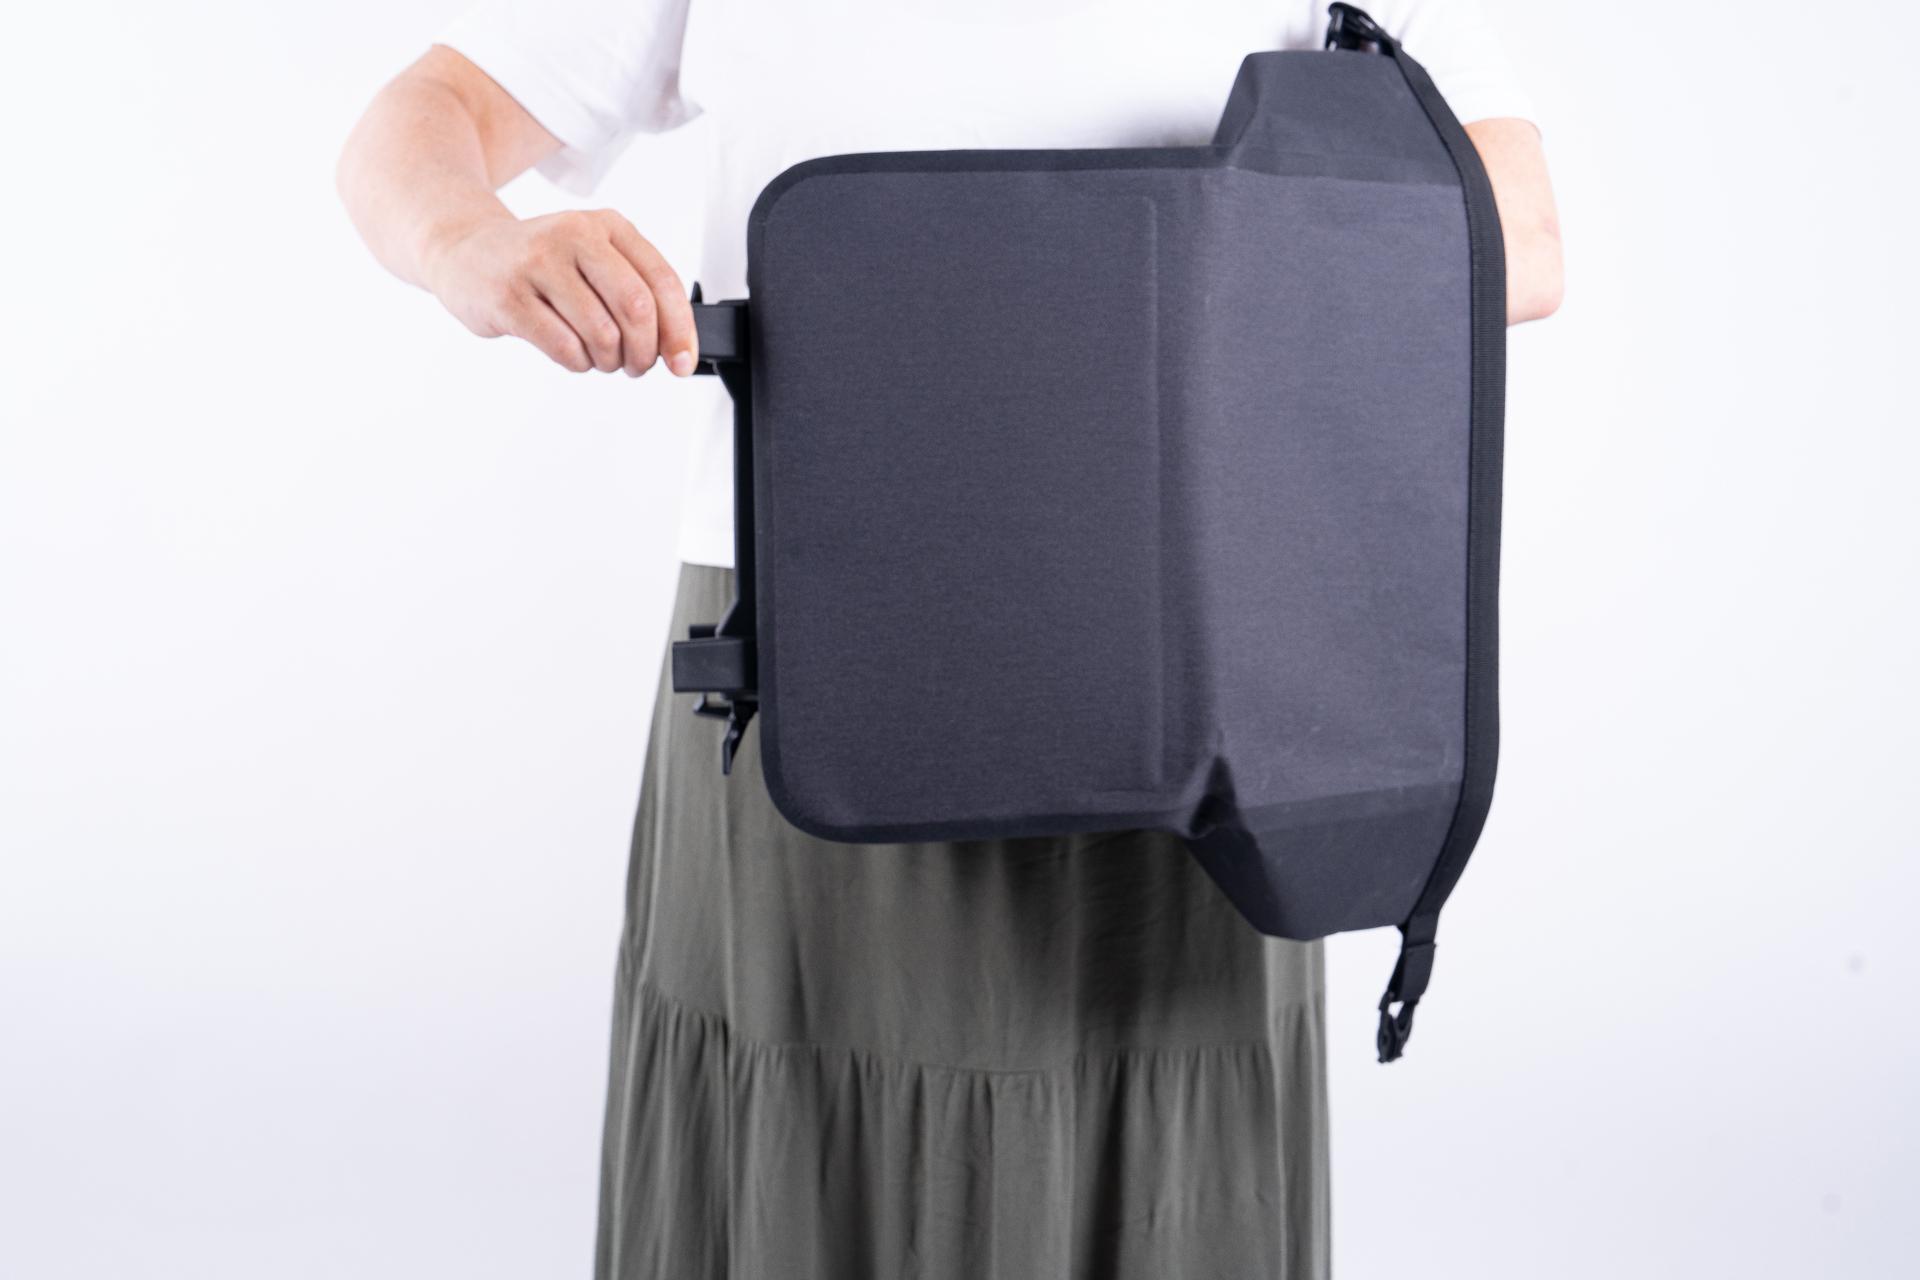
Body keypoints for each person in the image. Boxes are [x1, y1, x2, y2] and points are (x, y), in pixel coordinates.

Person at [337, 2, 1561, 1275]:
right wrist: (469, 238)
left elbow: (1513, 240)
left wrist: (1001, 304)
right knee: (797, 1180)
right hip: (810, 636)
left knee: (1165, 1207)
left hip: (1187, 647)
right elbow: (417, 123)